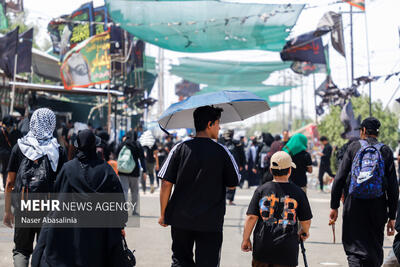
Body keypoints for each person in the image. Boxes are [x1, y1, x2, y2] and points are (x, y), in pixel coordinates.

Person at [158, 105, 240, 267]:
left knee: (180, 261)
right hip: (210, 221)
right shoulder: (222, 151)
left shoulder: (180, 148)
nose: (219, 127)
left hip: (181, 219)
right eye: (218, 123)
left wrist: (163, 214)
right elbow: (233, 183)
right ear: (210, 124)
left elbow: (166, 182)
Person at [31, 129, 127, 267]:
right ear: (95, 146)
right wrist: (120, 225)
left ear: (78, 147)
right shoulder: (107, 170)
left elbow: (56, 198)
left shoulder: (68, 169)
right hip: (100, 233)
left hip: (72, 230)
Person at [330, 117, 399, 266]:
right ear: (377, 133)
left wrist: (334, 206)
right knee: (374, 246)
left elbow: (339, 178)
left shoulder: (353, 147)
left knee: (354, 247)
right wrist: (392, 216)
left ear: (363, 131)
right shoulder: (385, 151)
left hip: (353, 205)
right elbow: (393, 187)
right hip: (377, 206)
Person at [3, 108, 67, 267]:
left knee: (21, 250)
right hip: (49, 206)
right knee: (45, 250)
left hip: (24, 204)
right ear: (51, 124)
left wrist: (7, 211)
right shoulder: (58, 151)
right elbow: (64, 184)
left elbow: (9, 183)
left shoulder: (19, 147)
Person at [242, 151, 312, 267]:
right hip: (287, 250)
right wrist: (304, 231)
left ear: (270, 170)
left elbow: (251, 217)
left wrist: (246, 239)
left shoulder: (261, 190)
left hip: (263, 248)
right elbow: (306, 220)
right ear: (289, 170)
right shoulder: (298, 192)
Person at [117, 131, 147, 215]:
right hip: (134, 172)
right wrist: (144, 171)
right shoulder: (137, 145)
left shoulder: (122, 144)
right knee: (134, 192)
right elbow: (142, 159)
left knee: (124, 191)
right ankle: (134, 211)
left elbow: (116, 155)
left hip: (122, 171)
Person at [222, 129, 246, 205]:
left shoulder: (236, 143)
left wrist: (242, 164)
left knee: (233, 182)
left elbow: (241, 154)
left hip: (234, 166)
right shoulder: (221, 143)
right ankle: (223, 199)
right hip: (223, 166)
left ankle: (230, 200)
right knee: (222, 182)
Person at [0, 115, 14, 190]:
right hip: (9, 153)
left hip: (2, 153)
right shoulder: (14, 131)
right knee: (7, 169)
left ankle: (5, 184)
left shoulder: (1, 130)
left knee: (4, 169)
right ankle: (6, 184)